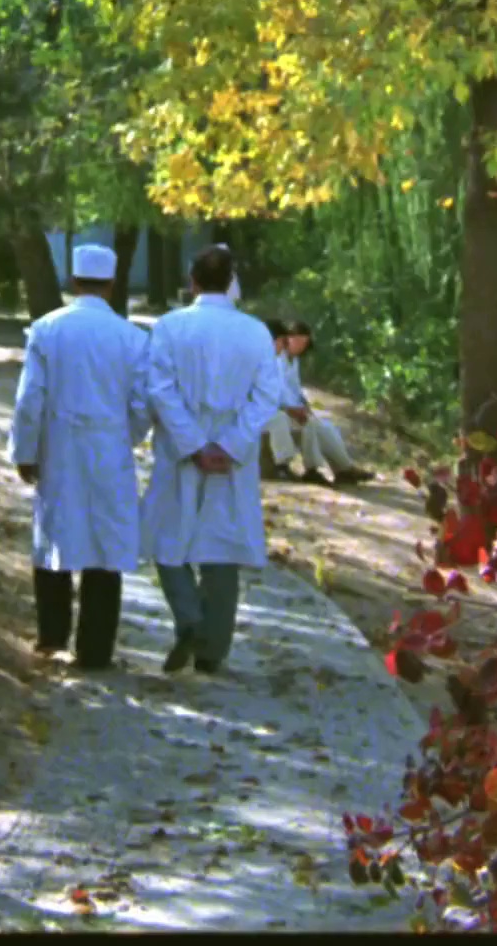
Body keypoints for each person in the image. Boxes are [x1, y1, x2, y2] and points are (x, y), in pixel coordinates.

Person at [140, 245, 284, 676]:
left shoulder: (170, 327)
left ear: (193, 282)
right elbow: (267, 395)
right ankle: (212, 650)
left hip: (181, 446)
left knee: (167, 538)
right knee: (221, 546)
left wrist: (193, 443)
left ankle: (189, 618)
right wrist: (231, 443)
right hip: (231, 454)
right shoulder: (255, 332)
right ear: (231, 282)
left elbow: (159, 389)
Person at [9, 244, 151, 671]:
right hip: (109, 450)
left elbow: (30, 399)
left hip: (60, 447)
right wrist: (123, 436)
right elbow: (142, 405)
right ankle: (95, 650)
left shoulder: (47, 330)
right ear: (111, 283)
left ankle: (52, 637)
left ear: (73, 281)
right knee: (105, 549)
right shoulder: (132, 338)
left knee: (55, 537)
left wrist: (25, 451)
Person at [260, 319, 376, 486]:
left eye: (304, 343)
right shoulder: (272, 360)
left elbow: (295, 390)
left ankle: (340, 468)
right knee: (294, 421)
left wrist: (303, 406)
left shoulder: (292, 361)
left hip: (285, 409)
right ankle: (288, 466)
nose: (300, 346)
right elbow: (274, 393)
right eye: (296, 341)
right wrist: (290, 409)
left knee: (323, 426)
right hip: (269, 412)